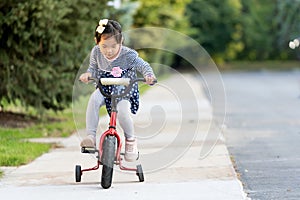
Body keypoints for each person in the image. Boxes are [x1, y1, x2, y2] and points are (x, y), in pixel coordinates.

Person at [79, 19, 156, 162]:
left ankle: (130, 141)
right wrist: (88, 75)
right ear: (96, 42)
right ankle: (90, 137)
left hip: (124, 89)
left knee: (123, 111)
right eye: (104, 46)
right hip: (105, 86)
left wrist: (148, 76)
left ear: (121, 41)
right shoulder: (96, 53)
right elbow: (92, 69)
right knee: (94, 100)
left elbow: (144, 66)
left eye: (114, 46)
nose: (109, 50)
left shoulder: (128, 55)